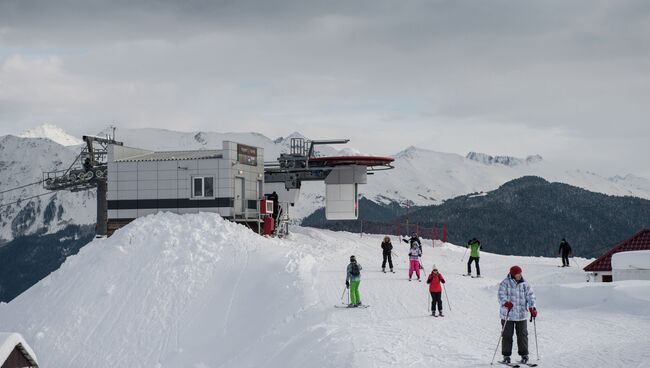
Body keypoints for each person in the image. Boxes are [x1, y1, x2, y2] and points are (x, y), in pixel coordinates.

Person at [498, 265, 537, 365]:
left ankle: (524, 355)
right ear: (512, 274)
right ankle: (506, 356)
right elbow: (501, 295)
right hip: (508, 314)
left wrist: (532, 307)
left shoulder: (525, 284)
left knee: (523, 335)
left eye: (520, 273)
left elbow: (531, 296)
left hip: (521, 315)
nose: (519, 275)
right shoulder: (505, 283)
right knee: (507, 335)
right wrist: (506, 302)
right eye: (517, 274)